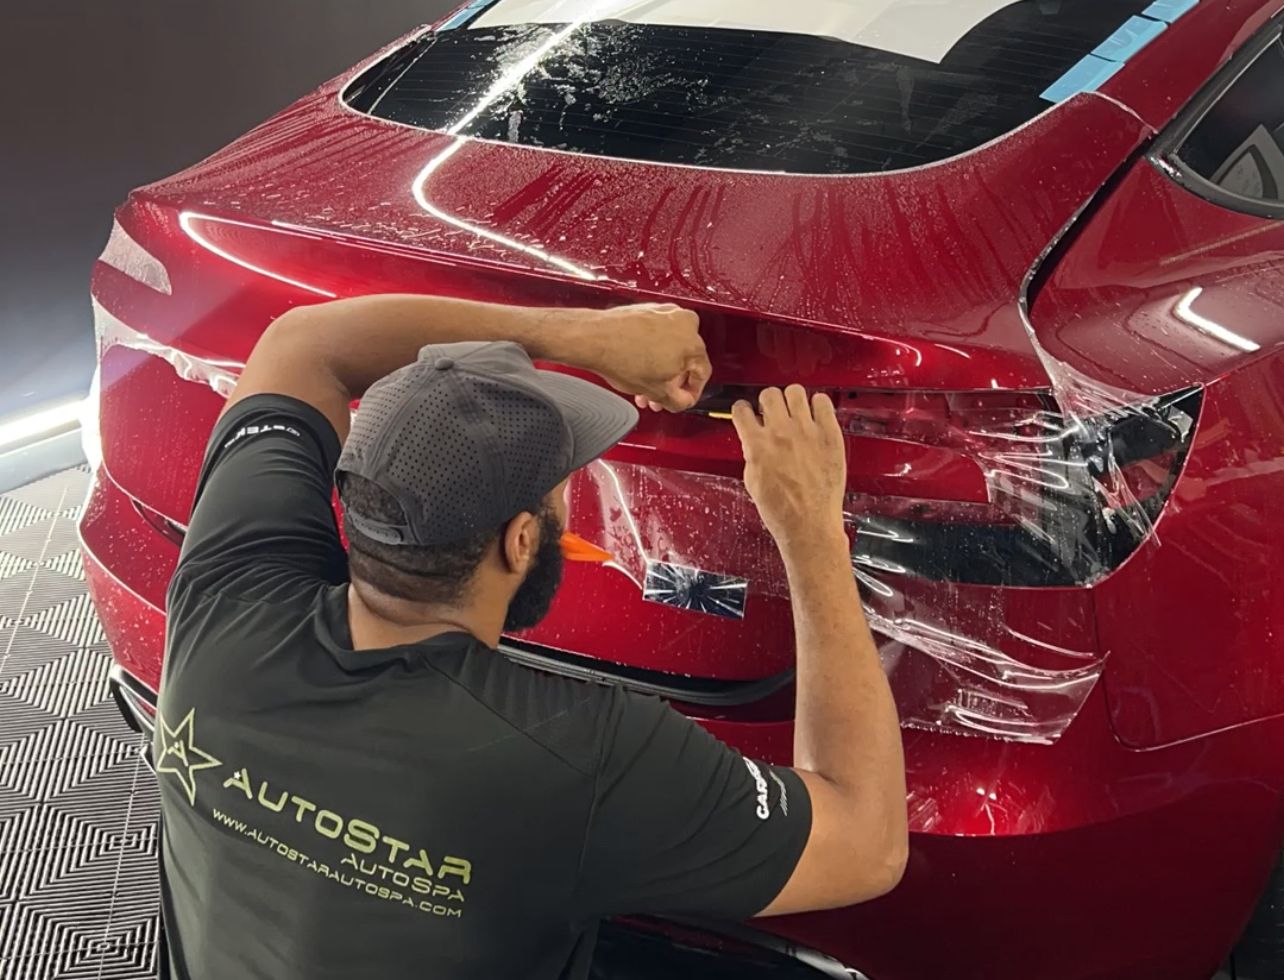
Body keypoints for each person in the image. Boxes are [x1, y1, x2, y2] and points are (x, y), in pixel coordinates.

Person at [153, 294, 908, 979]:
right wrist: (809, 527)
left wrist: (583, 336)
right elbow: (866, 841)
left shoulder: (229, 591)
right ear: (521, 541)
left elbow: (304, 341)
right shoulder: (579, 757)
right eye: (562, 487)